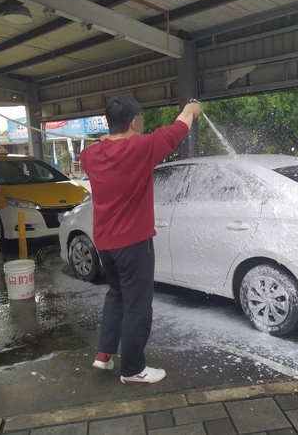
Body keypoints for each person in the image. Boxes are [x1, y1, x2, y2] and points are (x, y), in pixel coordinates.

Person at [80, 96, 201, 384]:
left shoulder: (89, 156)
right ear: (134, 121)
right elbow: (180, 126)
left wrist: (106, 138)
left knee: (116, 295)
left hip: (106, 245)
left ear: (108, 122)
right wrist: (191, 108)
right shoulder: (142, 147)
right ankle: (133, 370)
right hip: (134, 244)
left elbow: (101, 146)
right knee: (137, 304)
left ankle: (104, 354)